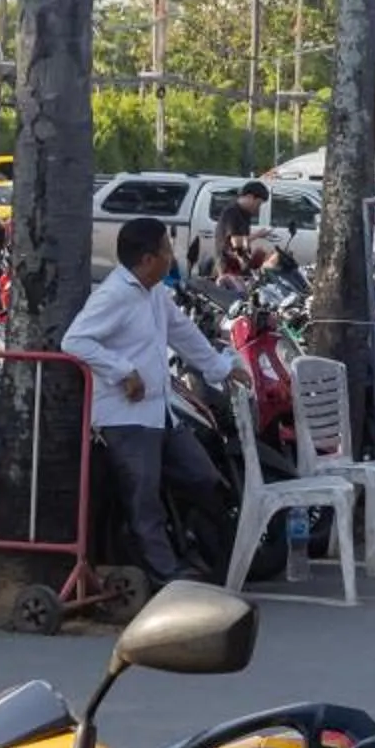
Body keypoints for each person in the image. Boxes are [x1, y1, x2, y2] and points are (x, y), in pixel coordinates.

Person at [61, 217, 239, 592]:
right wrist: (122, 371)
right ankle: (165, 574)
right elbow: (75, 341)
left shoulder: (155, 292)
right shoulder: (114, 295)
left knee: (203, 477)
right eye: (166, 251)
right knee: (143, 500)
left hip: (161, 411)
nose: (171, 257)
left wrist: (220, 368)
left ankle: (207, 557)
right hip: (124, 416)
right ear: (147, 259)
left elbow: (182, 332)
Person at [212, 181, 272, 287]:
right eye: (258, 203)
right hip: (229, 266)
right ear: (250, 197)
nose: (258, 208)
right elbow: (236, 242)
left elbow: (243, 241)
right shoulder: (232, 212)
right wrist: (258, 235)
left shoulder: (245, 214)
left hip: (240, 264)